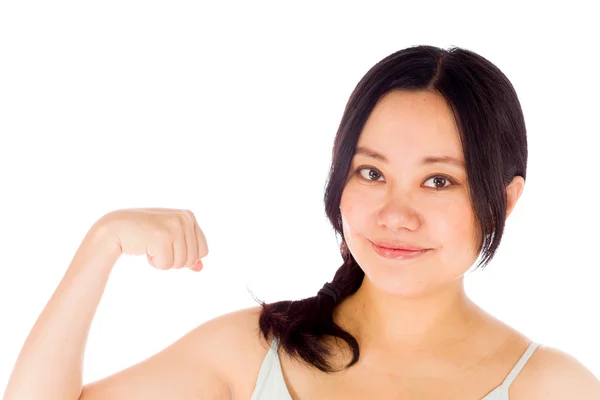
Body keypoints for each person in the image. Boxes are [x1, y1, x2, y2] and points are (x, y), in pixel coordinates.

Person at [4, 45, 600, 400]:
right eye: (371, 173)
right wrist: (100, 243)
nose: (396, 213)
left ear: (507, 199)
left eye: (438, 180)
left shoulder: (550, 387)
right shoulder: (253, 350)